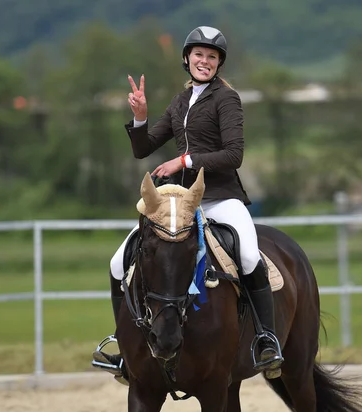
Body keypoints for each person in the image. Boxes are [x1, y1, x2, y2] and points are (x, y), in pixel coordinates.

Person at [92, 25, 284, 383]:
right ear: (187, 58)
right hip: (181, 203)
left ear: (218, 64)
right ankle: (124, 346)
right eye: (199, 55)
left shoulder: (227, 100)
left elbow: (234, 154)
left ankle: (265, 339)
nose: (204, 61)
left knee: (246, 256)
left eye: (212, 57)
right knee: (119, 262)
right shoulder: (181, 102)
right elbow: (142, 149)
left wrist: (184, 162)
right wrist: (140, 116)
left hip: (221, 197)